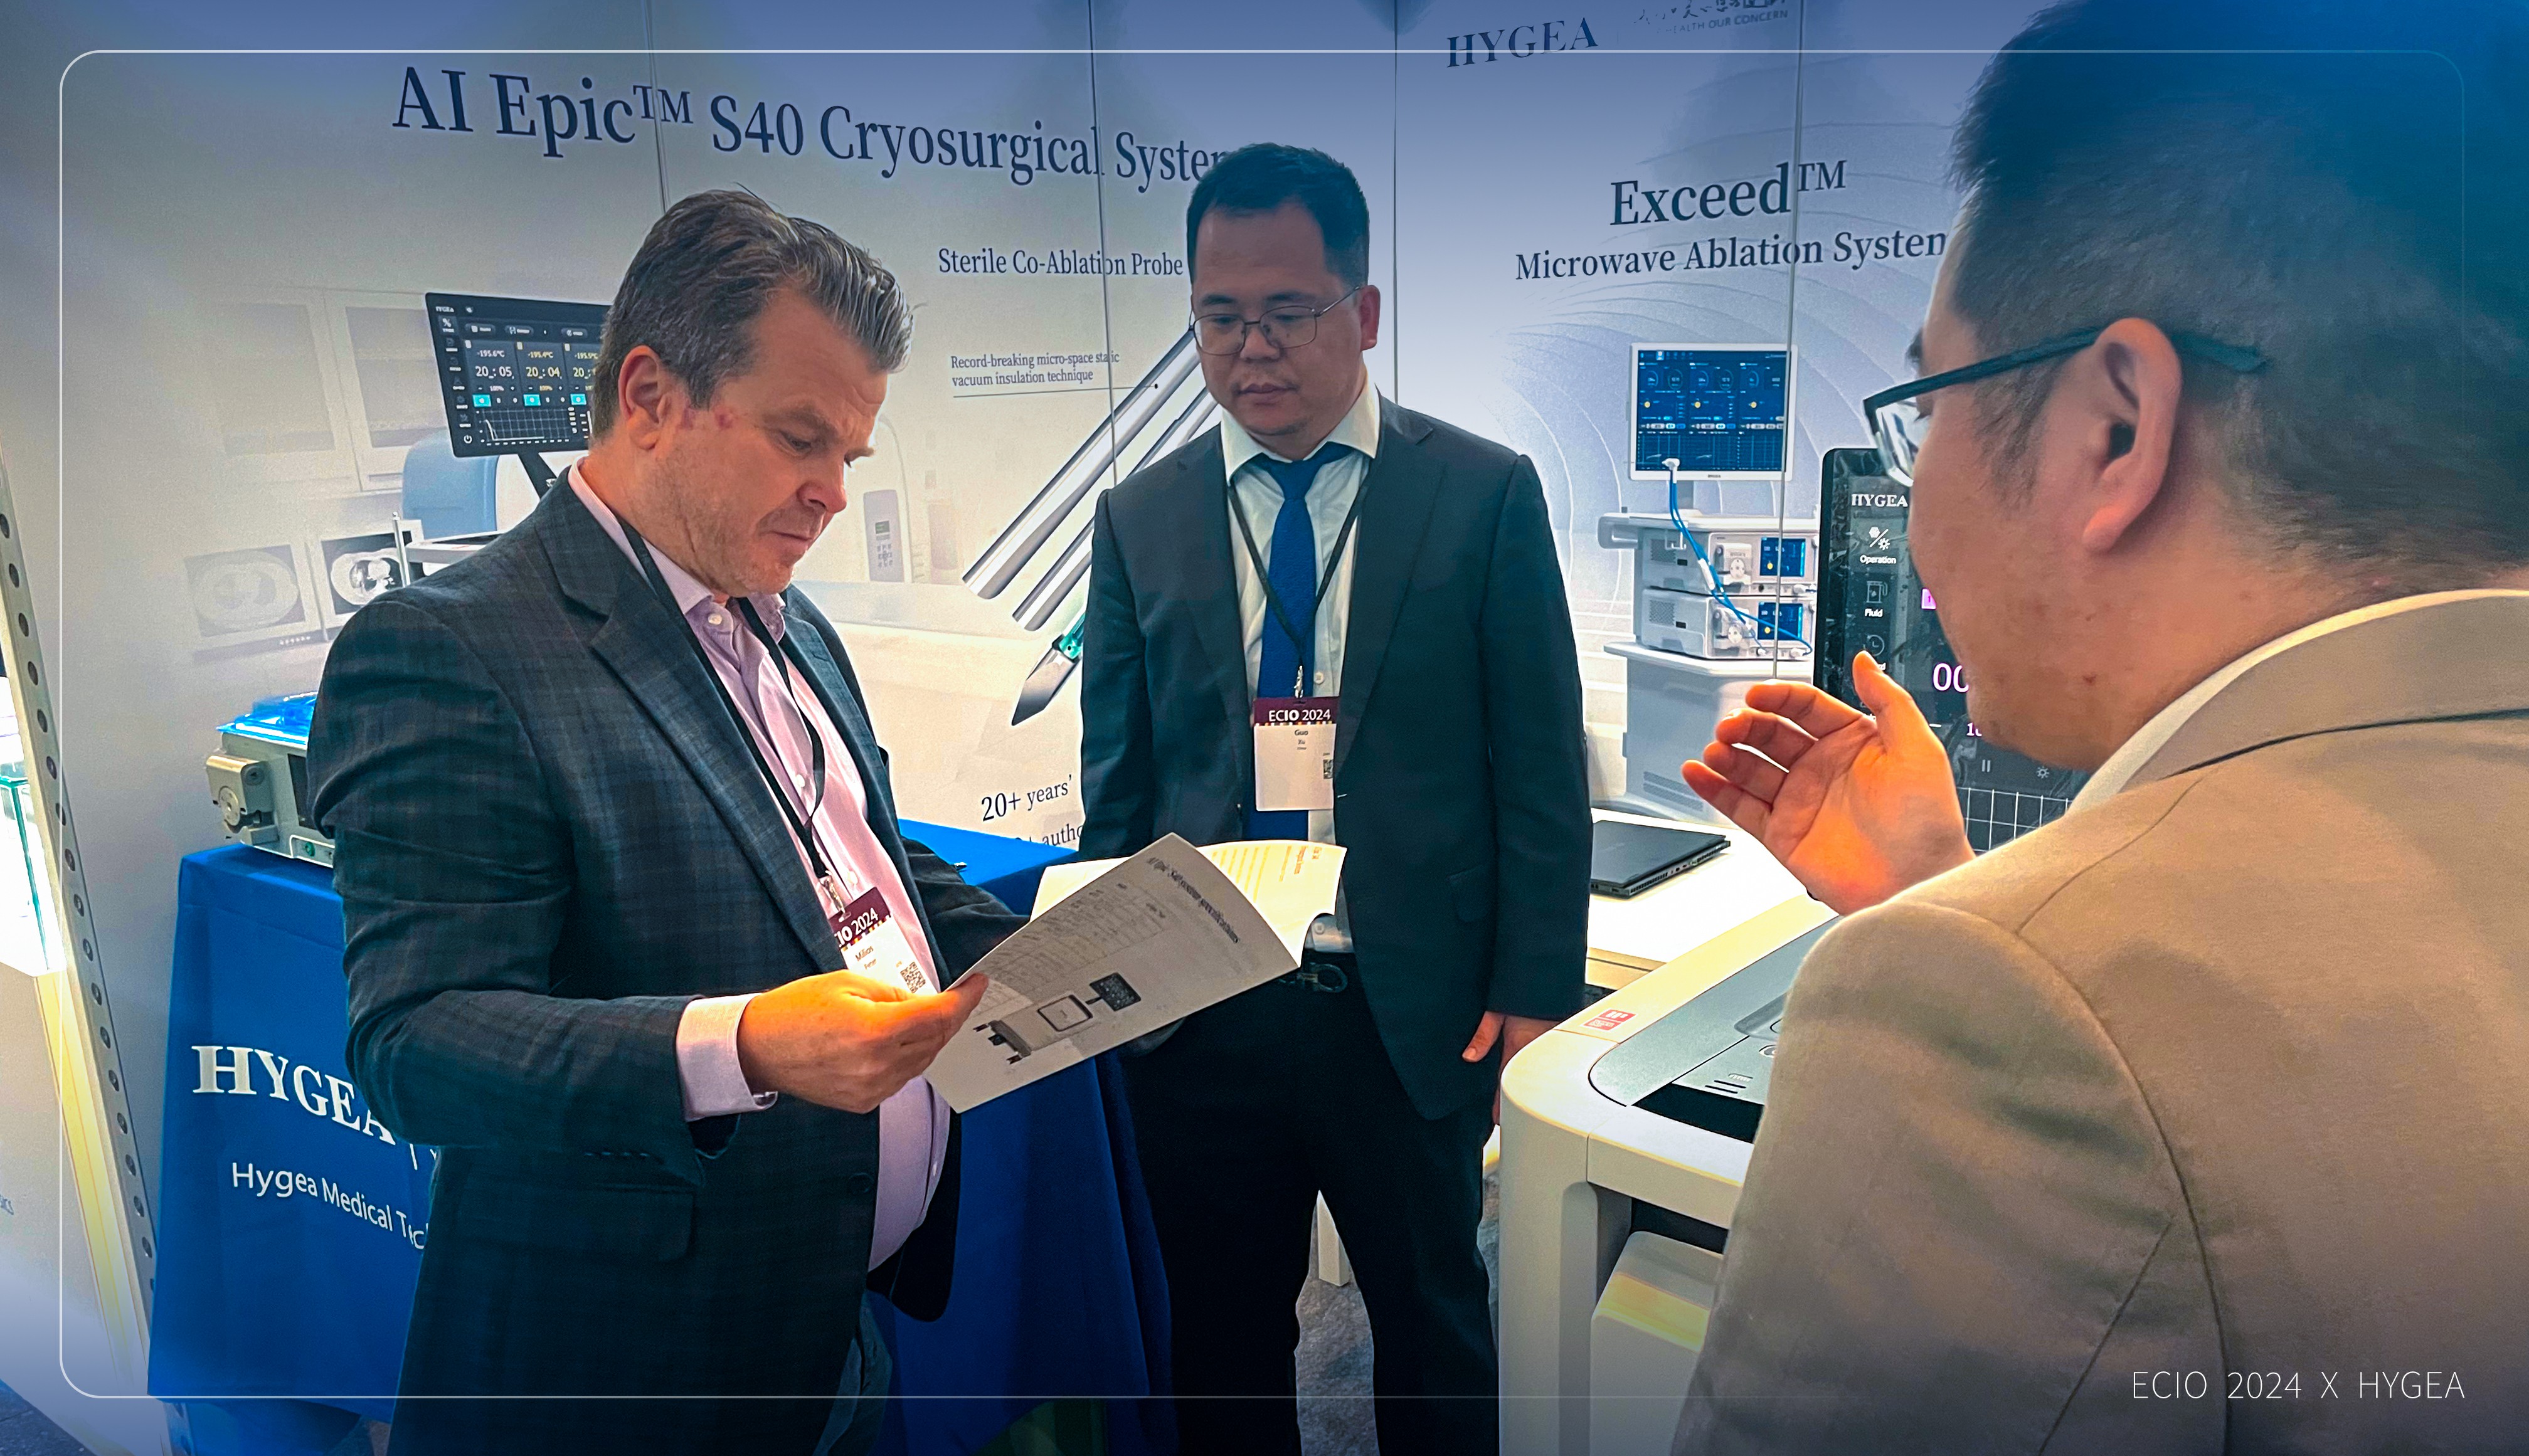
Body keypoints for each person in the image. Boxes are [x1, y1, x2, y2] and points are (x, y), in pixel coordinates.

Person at [1671, 2, 2529, 1450]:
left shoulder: (1983, 1010)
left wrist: (1988, 945)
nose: (1919, 500)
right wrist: (1947, 887)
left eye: (1926, 409)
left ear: (2116, 427)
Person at [308, 189, 1015, 1456]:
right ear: (650, 395)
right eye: (801, 439)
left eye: (850, 458)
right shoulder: (452, 648)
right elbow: (416, 1039)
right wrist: (740, 1045)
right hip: (643, 1367)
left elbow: (846, 850)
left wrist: (1062, 932)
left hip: (839, 1320)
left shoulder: (788, 617)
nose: (831, 495)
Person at [1078, 142, 1591, 1455]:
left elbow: (1538, 767)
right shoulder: (1141, 517)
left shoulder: (1479, 494)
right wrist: (1114, 996)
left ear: (1362, 312)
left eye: (1288, 313)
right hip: (1204, 1014)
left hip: (1410, 1008)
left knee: (1434, 1329)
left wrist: (1536, 991)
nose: (1253, 350)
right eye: (1220, 317)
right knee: (1221, 1341)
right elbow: (1119, 785)